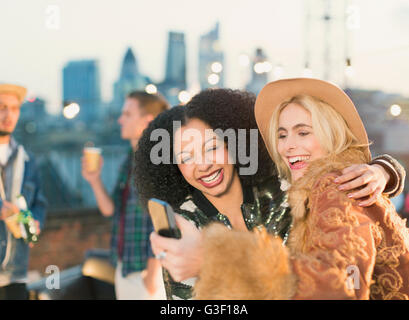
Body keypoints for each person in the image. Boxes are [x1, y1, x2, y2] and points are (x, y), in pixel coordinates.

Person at [134, 88, 404, 300]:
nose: (203, 164)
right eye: (186, 156)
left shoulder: (282, 193)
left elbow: (340, 276)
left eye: (212, 148)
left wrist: (384, 169)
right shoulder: (186, 224)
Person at [82, 91, 169, 300]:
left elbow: (163, 216)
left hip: (147, 271)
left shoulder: (157, 161)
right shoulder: (130, 159)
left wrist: (153, 271)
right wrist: (94, 180)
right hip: (125, 265)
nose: (120, 119)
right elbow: (110, 210)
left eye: (127, 114)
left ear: (148, 120)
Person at [0, 84, 47, 300]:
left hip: (15, 272)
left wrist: (32, 222)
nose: (8, 115)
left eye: (14, 108)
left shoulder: (26, 159)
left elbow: (39, 203)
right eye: (1, 107)